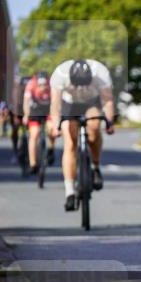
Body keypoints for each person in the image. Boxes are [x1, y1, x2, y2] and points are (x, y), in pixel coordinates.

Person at [48, 59, 116, 212]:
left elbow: (107, 101)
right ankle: (69, 192)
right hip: (69, 103)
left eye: (84, 84)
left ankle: (95, 167)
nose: (81, 88)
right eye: (77, 85)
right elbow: (55, 103)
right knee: (70, 142)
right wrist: (56, 124)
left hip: (92, 102)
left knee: (94, 127)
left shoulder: (101, 73)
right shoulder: (60, 74)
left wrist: (110, 122)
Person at [22, 71, 57, 174]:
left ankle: (50, 149)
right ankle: (33, 164)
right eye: (40, 85)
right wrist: (26, 115)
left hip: (48, 109)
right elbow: (26, 102)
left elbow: (56, 102)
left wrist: (55, 119)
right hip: (35, 110)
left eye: (45, 85)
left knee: (52, 128)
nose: (43, 87)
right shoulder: (30, 85)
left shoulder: (52, 86)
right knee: (34, 134)